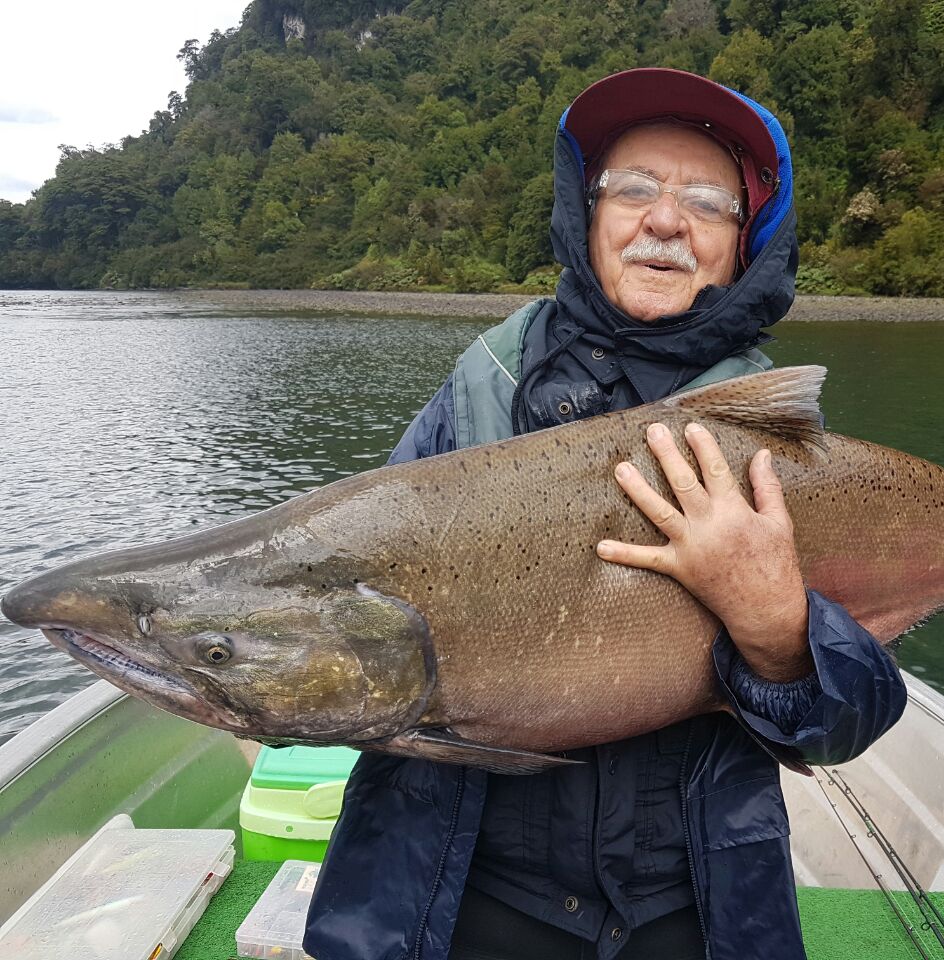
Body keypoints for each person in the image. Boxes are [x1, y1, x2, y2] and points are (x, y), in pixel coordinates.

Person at [304, 68, 907, 960]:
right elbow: (346, 614)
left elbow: (850, 724)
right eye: (633, 189)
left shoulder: (782, 451)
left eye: (706, 200)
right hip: (456, 883)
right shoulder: (479, 391)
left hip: (695, 900)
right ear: (585, 215)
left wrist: (778, 625)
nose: (664, 220)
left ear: (749, 246)